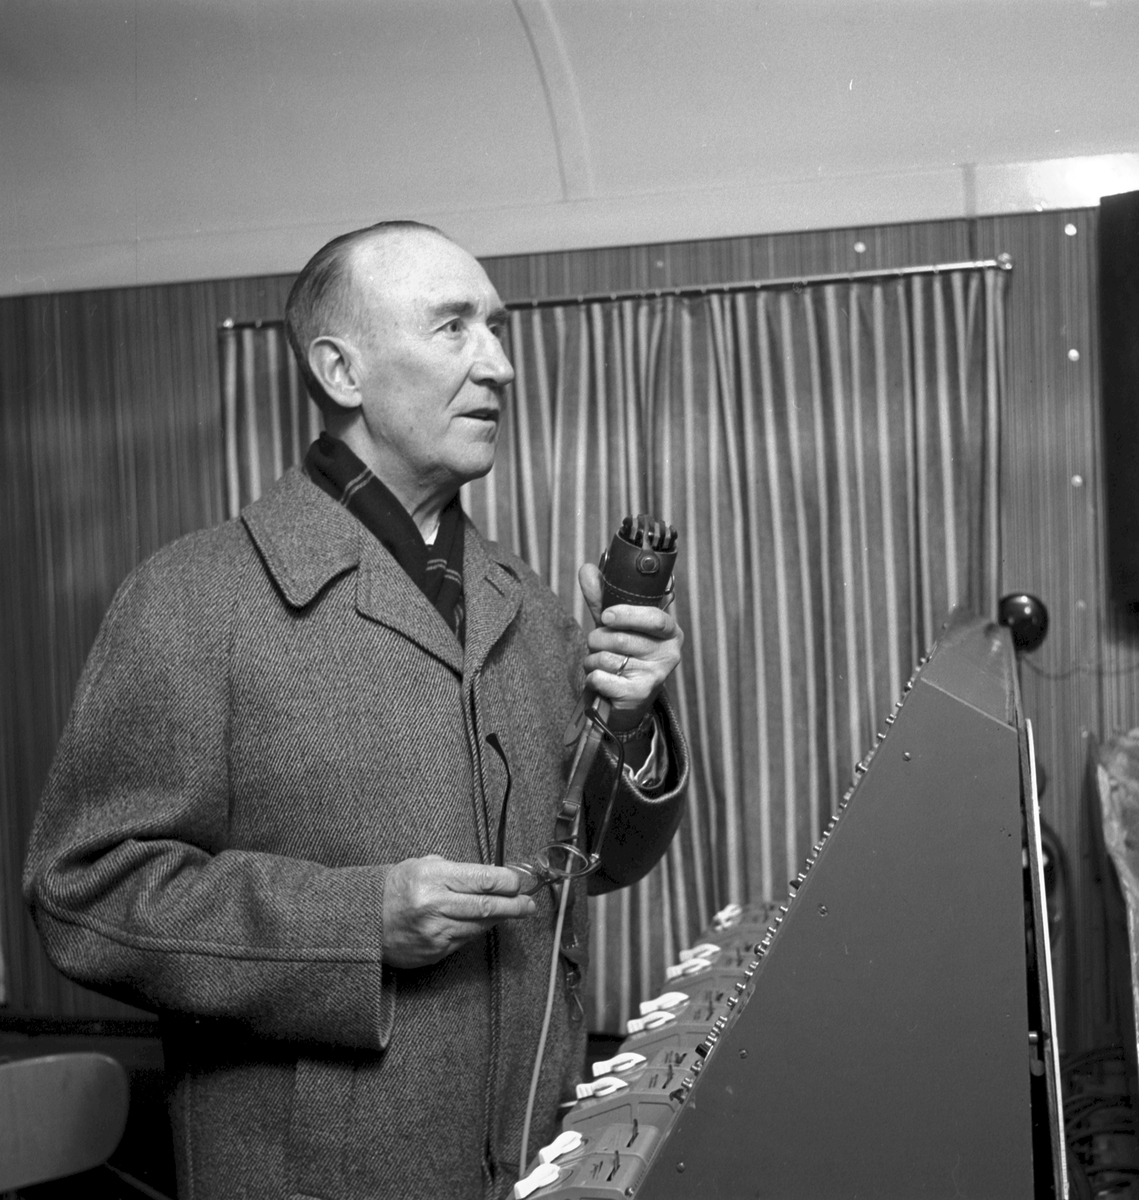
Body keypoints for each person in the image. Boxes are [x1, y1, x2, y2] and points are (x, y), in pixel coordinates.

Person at [23, 221, 688, 1200]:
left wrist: (628, 719)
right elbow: (83, 893)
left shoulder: (533, 606)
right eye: (454, 327)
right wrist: (356, 922)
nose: (499, 365)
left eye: (496, 329)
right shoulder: (193, 597)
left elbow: (605, 860)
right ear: (340, 370)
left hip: (530, 1159)